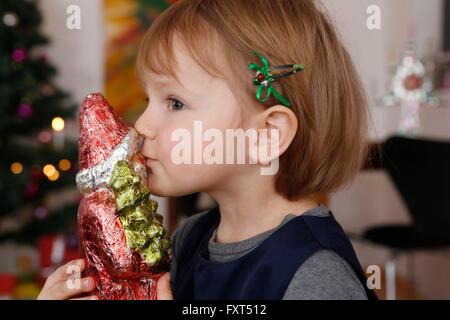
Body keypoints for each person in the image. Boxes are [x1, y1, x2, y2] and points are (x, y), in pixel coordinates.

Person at [38, 0, 376, 300]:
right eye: (148, 100)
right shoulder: (189, 239)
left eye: (175, 102)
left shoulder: (315, 274)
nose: (140, 127)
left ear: (267, 135)